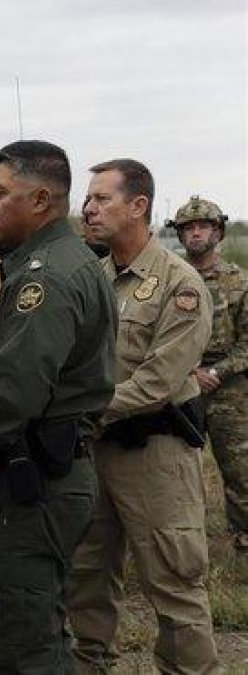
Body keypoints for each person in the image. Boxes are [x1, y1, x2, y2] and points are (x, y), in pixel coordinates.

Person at [0, 140, 117, 673]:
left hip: (28, 484)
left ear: (40, 200)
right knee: (35, 628)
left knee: (17, 642)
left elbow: (16, 388)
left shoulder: (45, 277)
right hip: (41, 475)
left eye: (0, 192)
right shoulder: (61, 262)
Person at [66, 159, 218, 672]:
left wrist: (76, 409)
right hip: (94, 451)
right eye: (88, 198)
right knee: (86, 574)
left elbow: (157, 382)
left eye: (101, 198)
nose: (89, 208)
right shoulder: (95, 278)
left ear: (138, 206)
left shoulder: (179, 283)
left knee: (174, 582)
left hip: (154, 455)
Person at [169, 195, 248, 552]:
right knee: (175, 472)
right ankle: (179, 543)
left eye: (204, 226)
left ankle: (244, 541)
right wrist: (190, 373)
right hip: (178, 386)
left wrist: (214, 370)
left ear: (218, 233)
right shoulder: (169, 279)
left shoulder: (239, 281)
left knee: (240, 470)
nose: (196, 233)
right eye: (188, 228)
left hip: (230, 391)